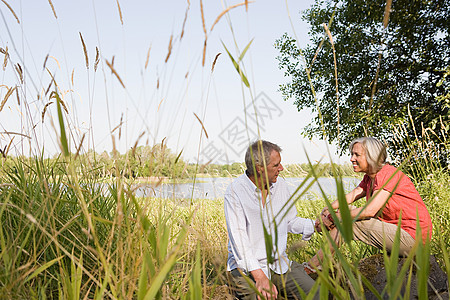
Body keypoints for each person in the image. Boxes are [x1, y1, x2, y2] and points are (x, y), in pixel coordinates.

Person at [304, 137, 433, 274]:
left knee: (349, 222)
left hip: (413, 238)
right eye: (352, 154)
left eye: (357, 155)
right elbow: (352, 195)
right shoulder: (370, 177)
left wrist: (333, 217)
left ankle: (313, 266)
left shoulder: (388, 173)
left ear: (373, 156)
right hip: (397, 232)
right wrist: (327, 210)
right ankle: (318, 264)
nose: (352, 159)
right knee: (346, 212)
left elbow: (369, 210)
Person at [225, 140, 319, 300]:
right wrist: (260, 277)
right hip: (246, 269)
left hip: (278, 264)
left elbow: (289, 221)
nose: (281, 169)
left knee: (314, 292)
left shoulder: (280, 185)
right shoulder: (235, 191)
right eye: (276, 165)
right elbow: (238, 238)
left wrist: (316, 225)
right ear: (259, 168)